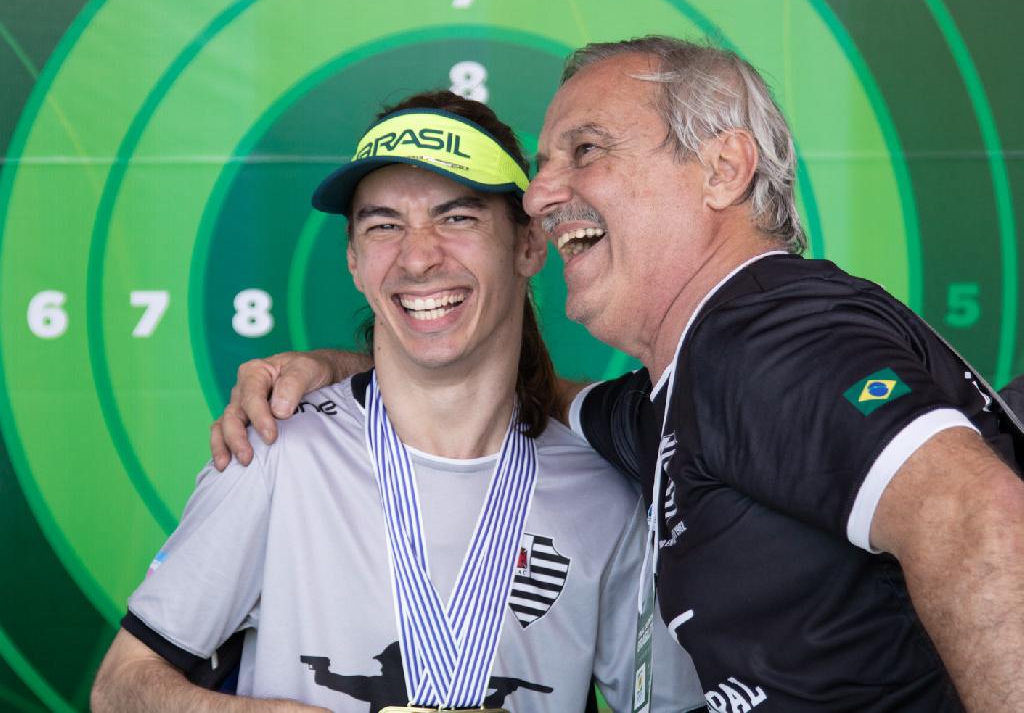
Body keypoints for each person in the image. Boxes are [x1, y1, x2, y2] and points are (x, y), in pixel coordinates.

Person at [214, 37, 1024, 712]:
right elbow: (530, 394)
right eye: (543, 164)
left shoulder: (767, 336)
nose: (540, 195)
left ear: (723, 168)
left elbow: (977, 517)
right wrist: (346, 366)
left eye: (586, 151)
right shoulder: (682, 390)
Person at [91, 90, 705, 713]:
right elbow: (119, 686)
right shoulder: (275, 452)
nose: (417, 257)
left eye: (457, 218)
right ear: (354, 261)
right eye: (384, 225)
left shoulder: (604, 488)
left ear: (528, 246)